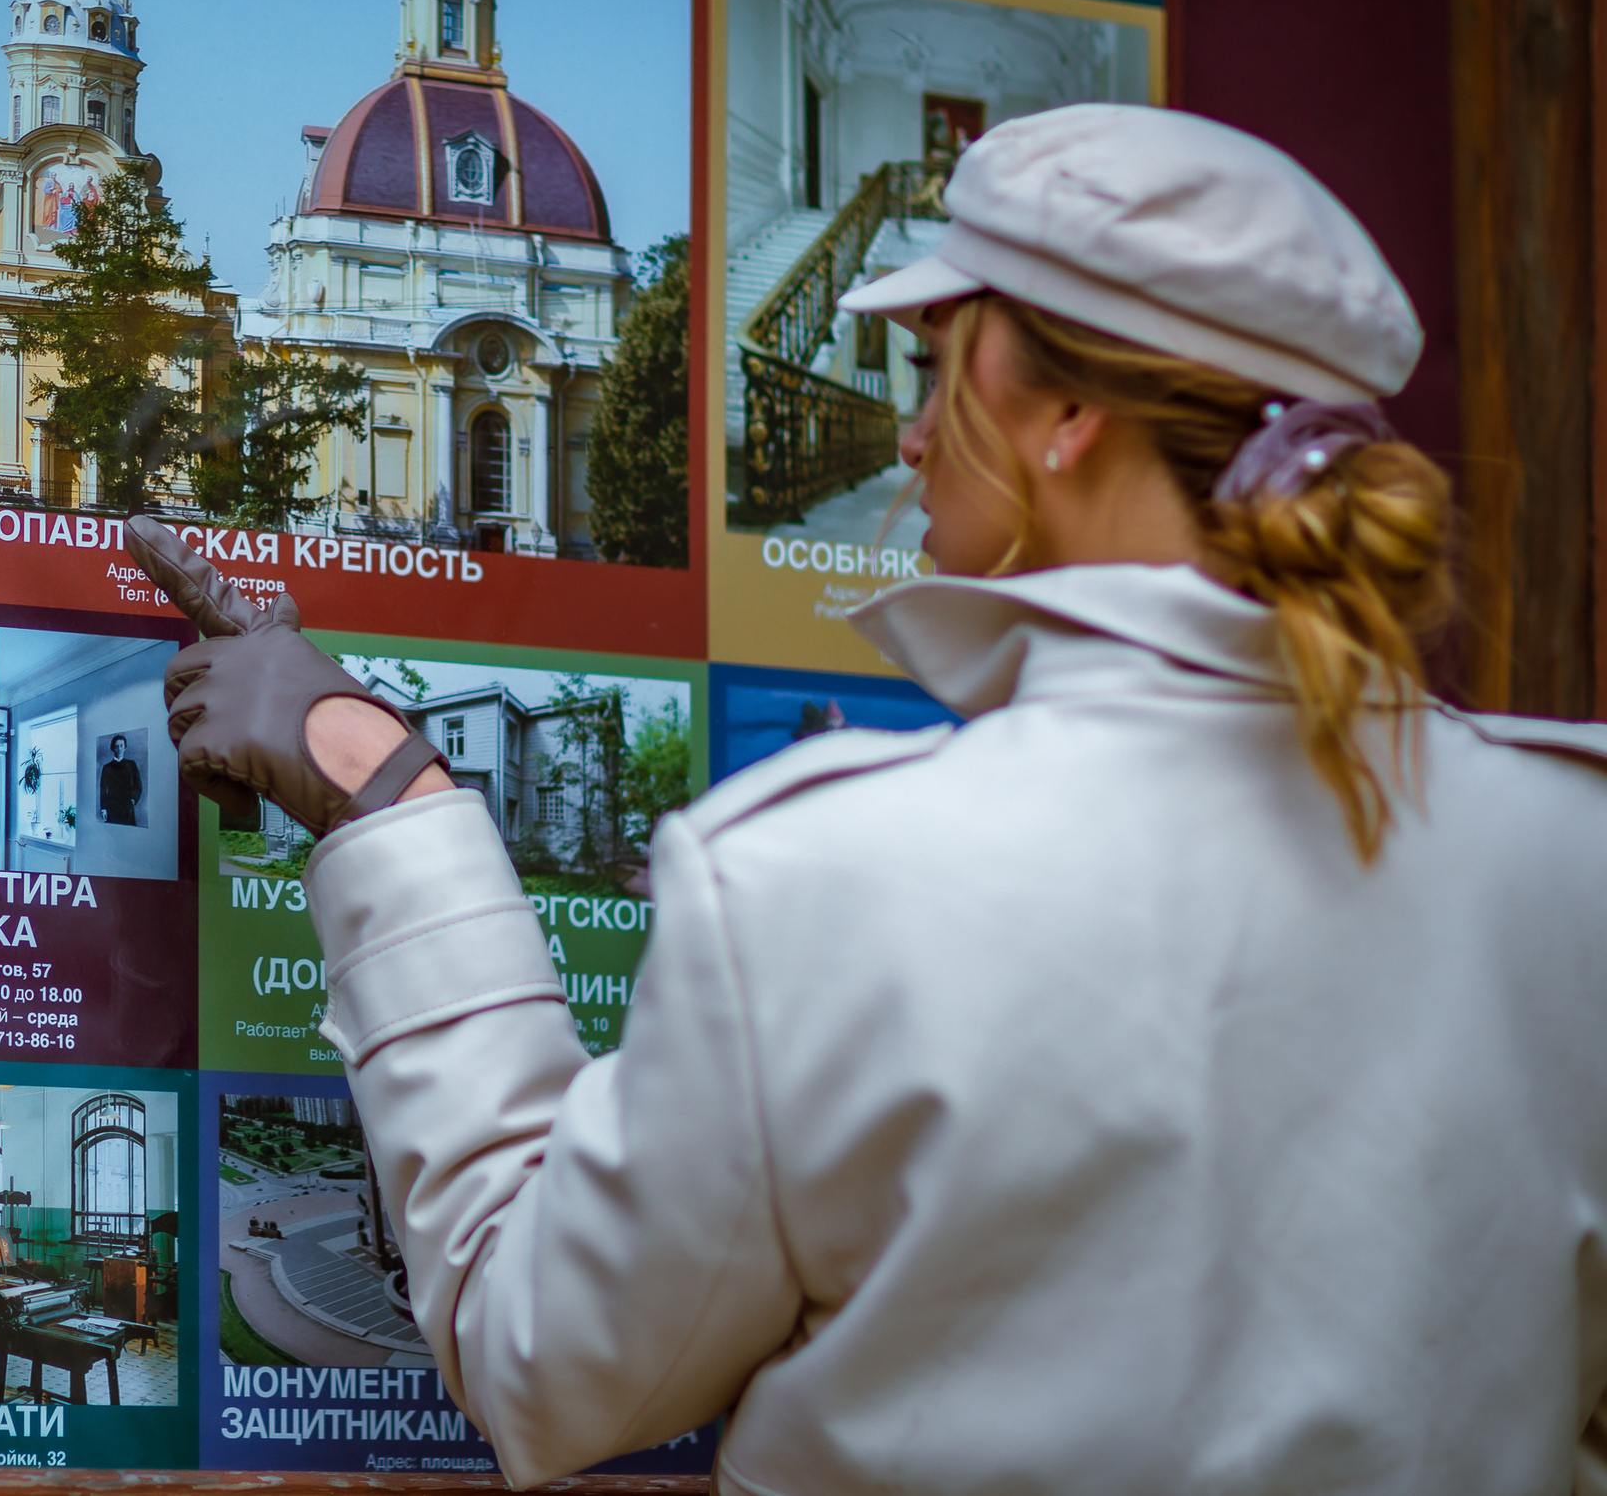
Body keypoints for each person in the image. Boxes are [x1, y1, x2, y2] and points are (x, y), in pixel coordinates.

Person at [127, 105, 1607, 1495]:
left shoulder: (826, 876)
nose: (906, 442)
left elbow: (543, 1365)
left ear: (1066, 414)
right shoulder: (1575, 851)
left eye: (934, 370)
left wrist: (383, 787)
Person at [97, 734, 142, 825]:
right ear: (113, 748)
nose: (119, 748)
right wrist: (103, 809)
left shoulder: (131, 764)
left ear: (125, 747)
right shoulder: (107, 767)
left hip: (127, 807)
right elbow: (103, 789)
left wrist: (133, 799)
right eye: (117, 746)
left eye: (121, 746)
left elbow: (138, 785)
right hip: (112, 807)